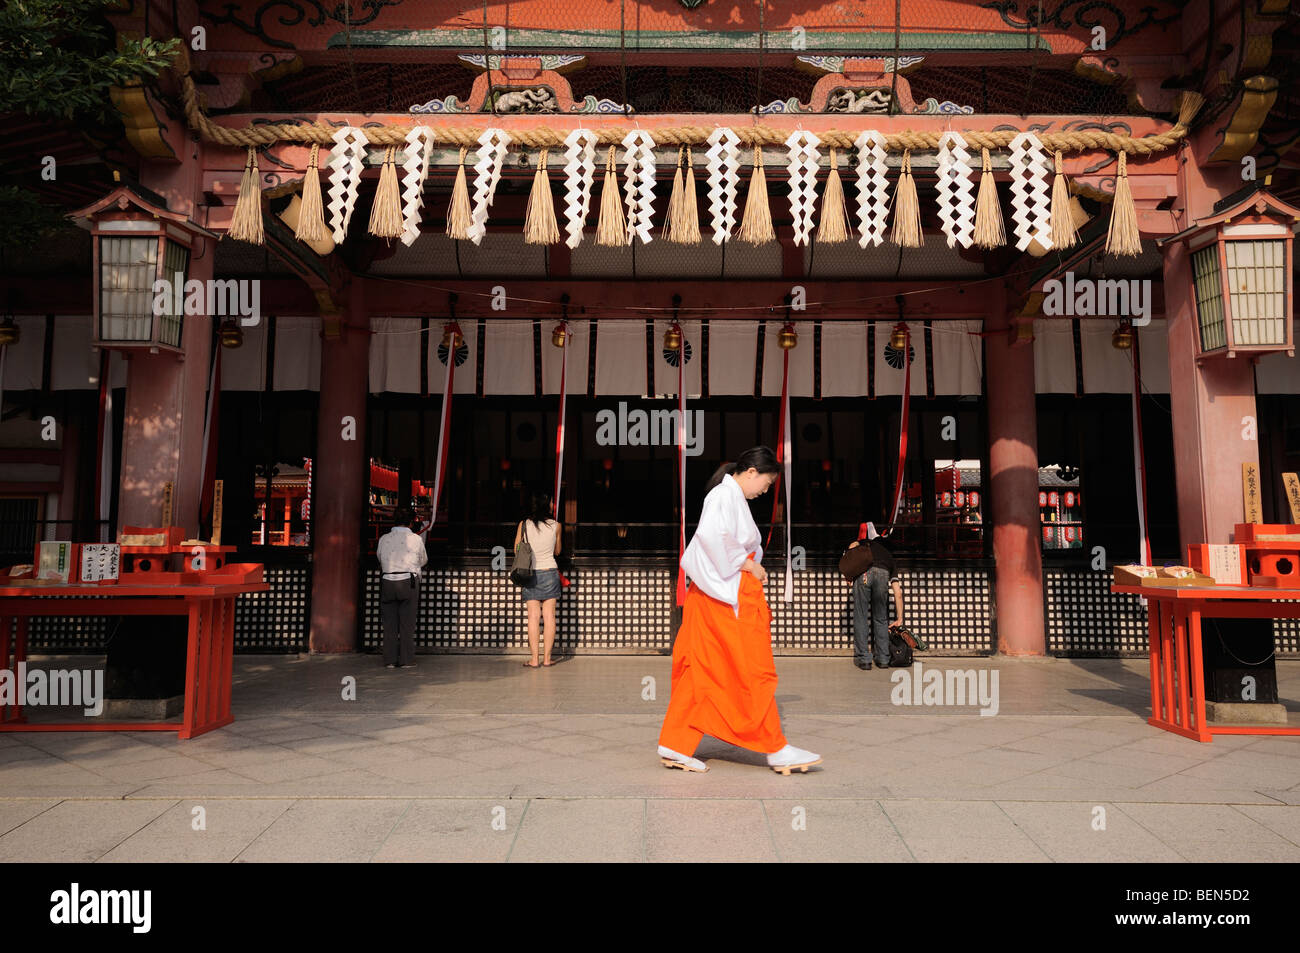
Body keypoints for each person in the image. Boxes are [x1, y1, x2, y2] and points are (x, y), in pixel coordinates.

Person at [658, 446, 822, 775]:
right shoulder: (724, 496)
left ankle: (676, 742)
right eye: (765, 483)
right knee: (753, 668)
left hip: (710, 594)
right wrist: (746, 562)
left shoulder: (728, 496)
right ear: (751, 472)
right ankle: (774, 747)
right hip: (729, 594)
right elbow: (711, 536)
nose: (764, 490)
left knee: (700, 668)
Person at [514, 491, 562, 668]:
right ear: (546, 504)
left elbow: (516, 548)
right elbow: (557, 551)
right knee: (549, 616)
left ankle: (534, 659)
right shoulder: (556, 526)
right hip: (549, 571)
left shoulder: (524, 525)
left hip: (531, 573)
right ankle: (547, 659)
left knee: (533, 617)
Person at [377, 505, 427, 668]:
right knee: (407, 623)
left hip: (388, 581)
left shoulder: (384, 539)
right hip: (408, 581)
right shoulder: (416, 539)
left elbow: (379, 556)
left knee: (389, 623)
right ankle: (406, 660)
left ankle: (390, 660)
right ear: (411, 523)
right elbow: (423, 560)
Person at [848, 522, 904, 670]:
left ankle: (865, 660)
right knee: (881, 618)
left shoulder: (866, 543)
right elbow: (898, 593)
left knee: (861, 616)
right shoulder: (889, 557)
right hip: (883, 574)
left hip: (864, 573)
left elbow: (852, 546)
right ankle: (883, 659)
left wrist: (848, 573)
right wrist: (900, 618)